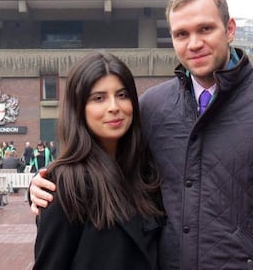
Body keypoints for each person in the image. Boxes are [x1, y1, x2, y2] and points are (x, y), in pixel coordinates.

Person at [29, 0, 253, 269]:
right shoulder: (153, 106)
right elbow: (111, 166)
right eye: (181, 34)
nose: (194, 43)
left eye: (205, 29)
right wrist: (47, 188)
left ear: (230, 29)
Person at [33, 52, 164, 270]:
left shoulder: (147, 173)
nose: (114, 107)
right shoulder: (66, 185)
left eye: (122, 95)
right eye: (99, 98)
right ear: (79, 108)